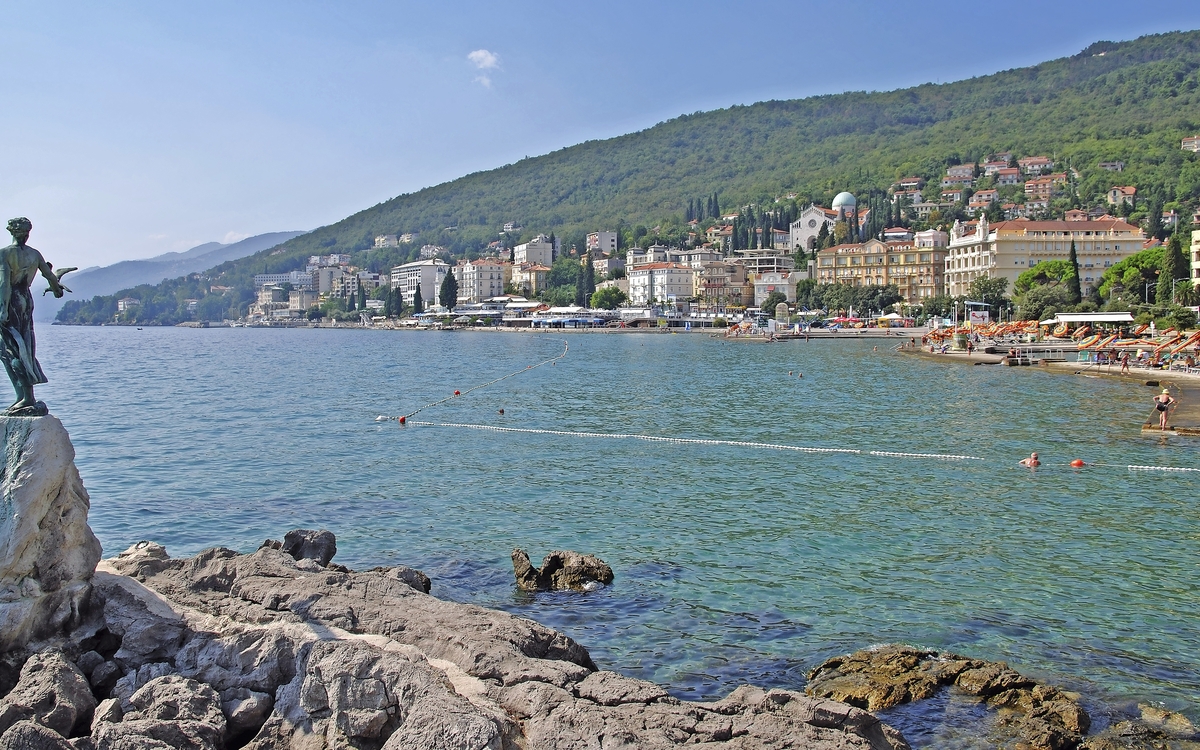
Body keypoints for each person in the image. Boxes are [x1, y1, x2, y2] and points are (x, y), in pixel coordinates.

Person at [0, 218, 71, 415]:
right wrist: (57, 289)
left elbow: (4, 284)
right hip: (26, 300)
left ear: (11, 232)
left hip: (12, 300)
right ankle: (24, 396)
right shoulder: (35, 254)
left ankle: (25, 397)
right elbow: (49, 275)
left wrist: (2, 309)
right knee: (26, 345)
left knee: (10, 350)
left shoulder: (5, 253)